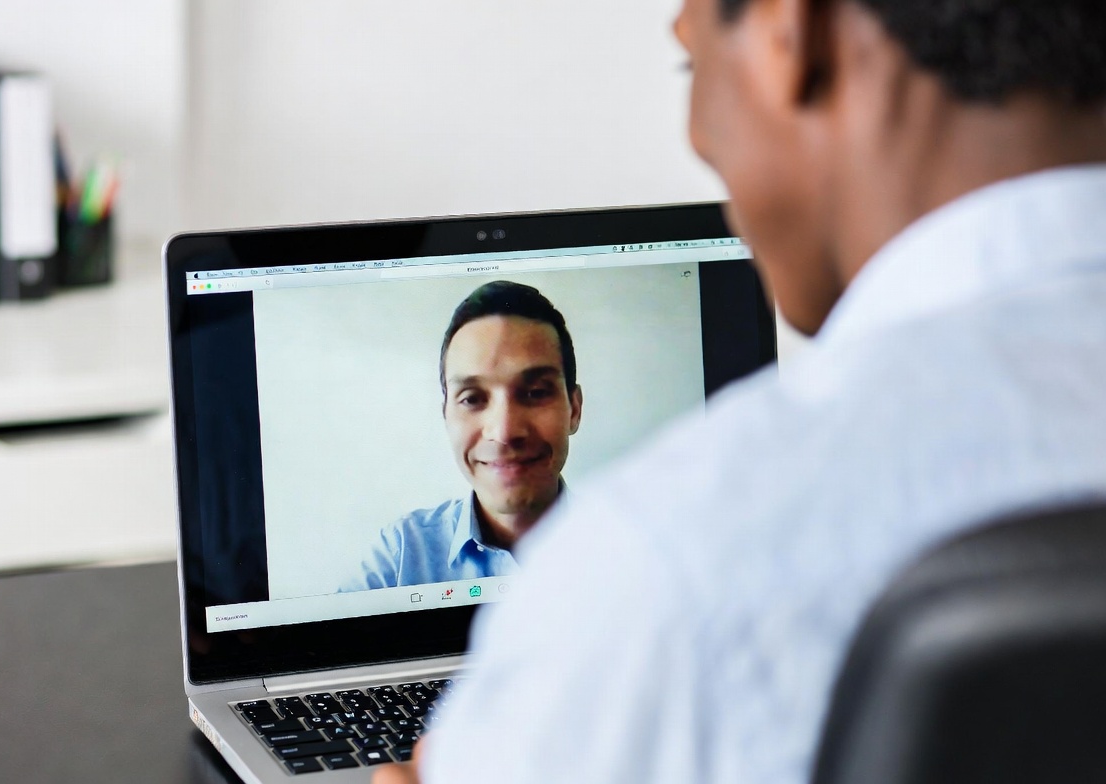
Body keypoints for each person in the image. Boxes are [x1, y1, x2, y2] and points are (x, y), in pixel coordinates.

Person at [377, 0, 1106, 782]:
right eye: (473, 396)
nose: (701, 133)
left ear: (790, 32)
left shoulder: (663, 560)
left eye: (693, 61)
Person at [339, 280, 583, 591]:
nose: (504, 431)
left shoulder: (636, 546)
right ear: (446, 415)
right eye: (472, 398)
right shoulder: (401, 555)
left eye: (535, 392)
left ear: (574, 409)